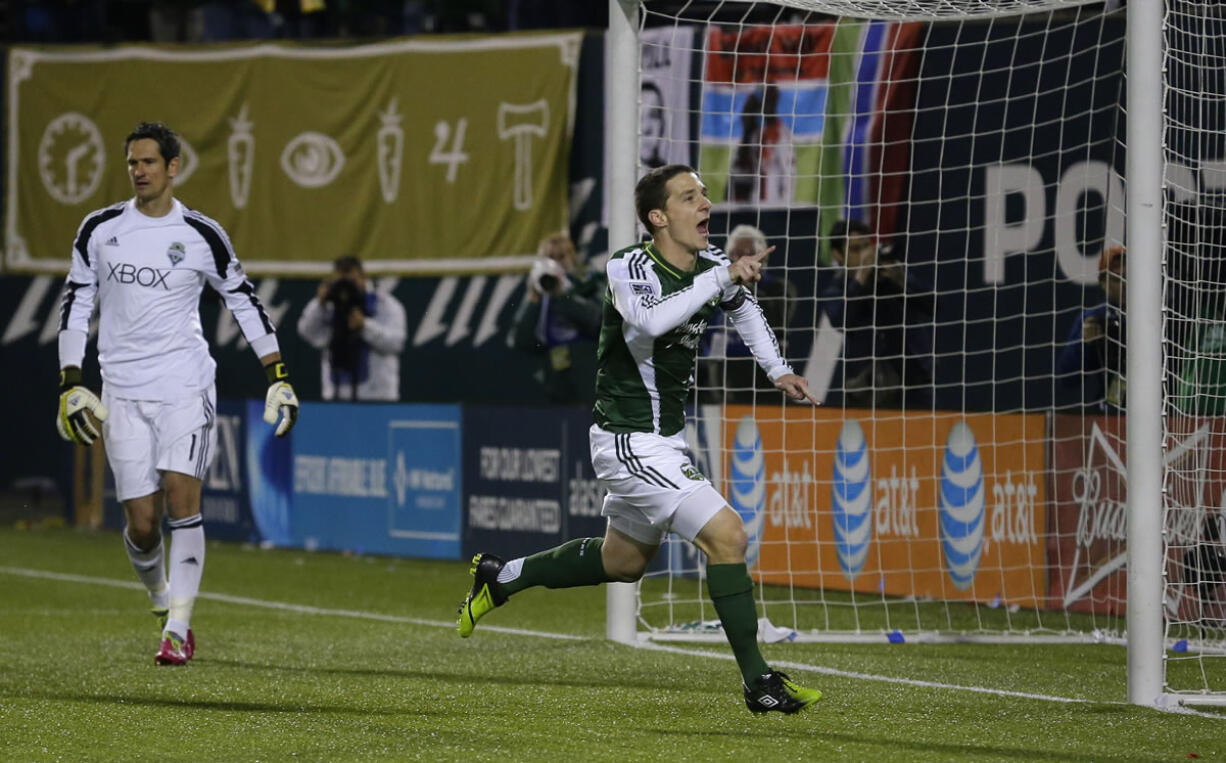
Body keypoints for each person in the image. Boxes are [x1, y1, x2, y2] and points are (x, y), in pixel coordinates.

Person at [457, 164, 824, 715]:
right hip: (629, 439)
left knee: (624, 561)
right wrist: (720, 279)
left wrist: (777, 369)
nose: (704, 204)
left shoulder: (711, 266)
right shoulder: (627, 266)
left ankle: (502, 576)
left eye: (703, 194)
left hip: (662, 439)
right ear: (658, 217)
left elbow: (745, 309)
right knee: (728, 536)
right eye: (689, 196)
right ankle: (760, 682)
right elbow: (652, 322)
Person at [55, 121, 299, 665]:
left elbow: (244, 302)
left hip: (184, 381)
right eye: (132, 163)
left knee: (182, 498)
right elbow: (76, 302)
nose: (139, 171)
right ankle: (162, 599)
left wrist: (277, 374)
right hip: (121, 386)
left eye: (148, 162)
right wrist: (71, 379)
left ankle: (180, 628)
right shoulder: (99, 229)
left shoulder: (202, 234)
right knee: (142, 523)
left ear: (173, 168)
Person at [819, 218, 934, 409]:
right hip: (866, 385)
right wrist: (862, 278)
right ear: (837, 255)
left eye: (867, 247)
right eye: (856, 250)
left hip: (912, 380)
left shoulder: (891, 276)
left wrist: (903, 281)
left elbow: (933, 306)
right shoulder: (837, 288)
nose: (865, 255)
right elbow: (842, 320)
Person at [699, 224, 797, 404]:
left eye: (748, 253)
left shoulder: (780, 289)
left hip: (762, 377)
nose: (741, 259)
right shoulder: (714, 287)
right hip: (721, 374)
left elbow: (777, 322)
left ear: (763, 258)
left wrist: (746, 286)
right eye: (736, 254)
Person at [509, 233, 605, 404]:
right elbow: (521, 340)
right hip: (555, 374)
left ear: (572, 257)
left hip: (590, 370)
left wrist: (564, 295)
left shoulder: (588, 282)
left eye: (561, 256)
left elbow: (601, 321)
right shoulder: (540, 292)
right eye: (550, 257)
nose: (556, 263)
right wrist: (536, 299)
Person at [296, 255, 407, 401]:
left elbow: (396, 343)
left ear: (362, 277)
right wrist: (320, 304)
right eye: (342, 281)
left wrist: (365, 326)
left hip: (377, 398)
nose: (346, 287)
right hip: (336, 396)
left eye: (351, 280)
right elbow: (307, 332)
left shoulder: (385, 304)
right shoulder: (328, 304)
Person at [1057, 245, 1126, 413]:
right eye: (1117, 279)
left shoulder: (1155, 317)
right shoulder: (1094, 318)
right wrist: (1085, 343)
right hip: (1112, 410)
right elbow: (1066, 378)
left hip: (1158, 406)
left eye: (1129, 277)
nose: (1125, 284)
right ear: (1103, 282)